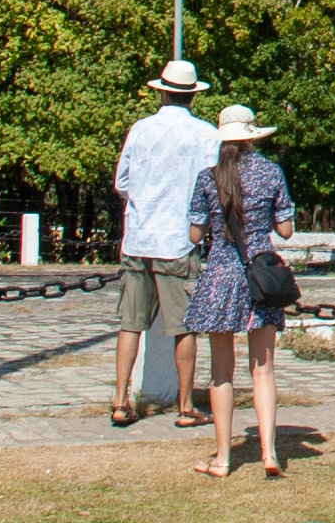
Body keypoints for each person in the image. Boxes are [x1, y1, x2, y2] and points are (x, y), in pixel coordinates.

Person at [183, 103, 297, 479]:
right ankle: (269, 453)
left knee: (222, 372)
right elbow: (285, 231)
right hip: (259, 277)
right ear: (252, 138)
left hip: (220, 276)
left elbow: (195, 234)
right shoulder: (271, 173)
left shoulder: (207, 178)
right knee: (263, 369)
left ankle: (223, 458)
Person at [110, 59, 222, 428]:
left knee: (131, 323)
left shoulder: (140, 130)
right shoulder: (205, 135)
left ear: (161, 91)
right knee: (183, 326)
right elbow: (212, 188)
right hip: (178, 239)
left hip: (139, 236)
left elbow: (122, 182)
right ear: (193, 95)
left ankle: (121, 399)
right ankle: (186, 405)